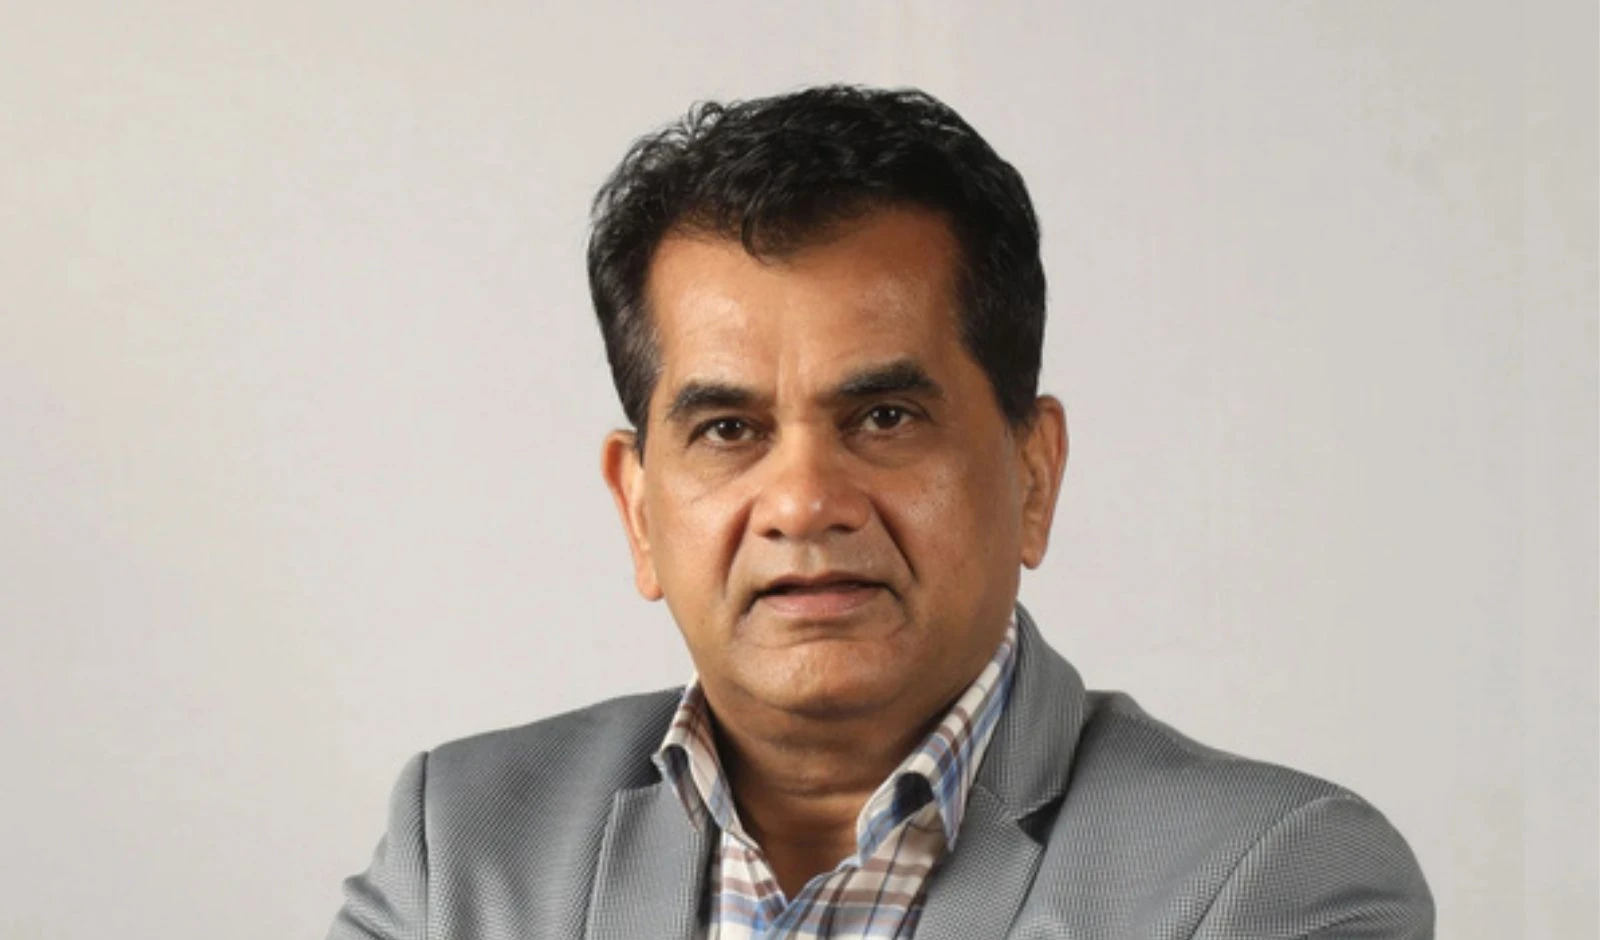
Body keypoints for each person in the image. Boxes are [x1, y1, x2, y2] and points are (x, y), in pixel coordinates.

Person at [328, 85, 1433, 939]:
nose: (804, 502)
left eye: (886, 417)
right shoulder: (459, 848)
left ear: (1033, 472)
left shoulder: (1274, 877)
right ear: (638, 507)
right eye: (728, 429)